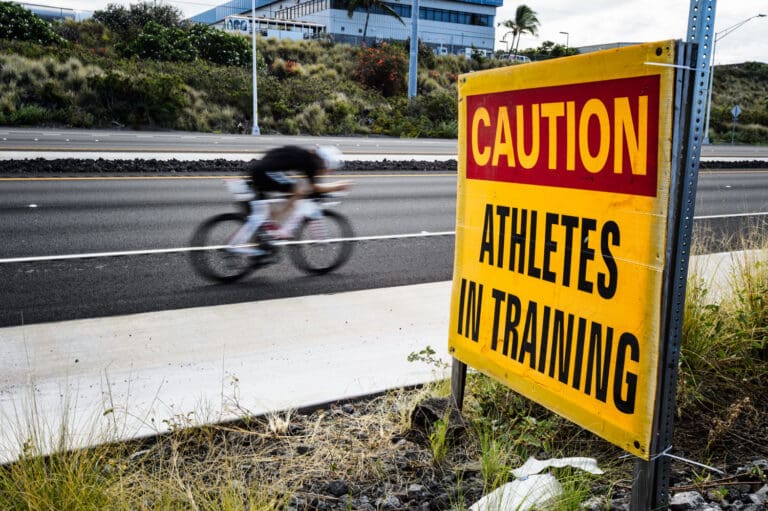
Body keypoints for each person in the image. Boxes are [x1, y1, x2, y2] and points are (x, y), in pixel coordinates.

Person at [233, 145, 350, 255]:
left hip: (259, 170)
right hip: (265, 173)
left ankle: (265, 235)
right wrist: (337, 186)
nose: (327, 173)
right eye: (329, 170)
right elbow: (313, 188)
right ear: (325, 162)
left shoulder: (306, 156)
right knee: (298, 190)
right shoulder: (311, 164)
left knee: (271, 206)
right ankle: (282, 225)